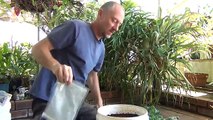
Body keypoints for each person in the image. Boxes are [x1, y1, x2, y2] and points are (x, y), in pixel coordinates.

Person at [29, 1, 125, 120]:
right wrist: (56, 67)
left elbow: (92, 75)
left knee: (101, 118)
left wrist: (99, 103)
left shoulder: (101, 48)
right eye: (114, 21)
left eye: (119, 24)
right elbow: (37, 49)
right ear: (100, 14)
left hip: (72, 103)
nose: (116, 28)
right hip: (49, 99)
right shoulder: (75, 28)